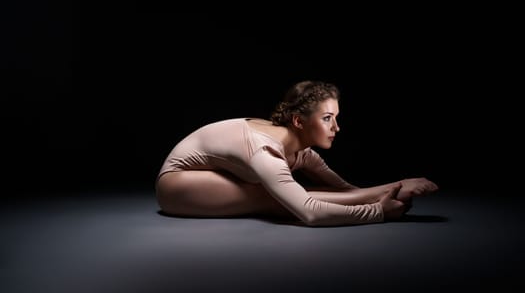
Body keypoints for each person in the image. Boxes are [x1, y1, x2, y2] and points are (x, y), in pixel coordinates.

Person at [155, 80, 438, 226]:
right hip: (177, 184)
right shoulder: (265, 150)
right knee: (273, 197)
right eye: (327, 118)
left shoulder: (300, 150)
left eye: (336, 117)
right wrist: (379, 210)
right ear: (299, 121)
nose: (336, 127)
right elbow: (308, 213)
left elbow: (346, 189)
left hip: (211, 175)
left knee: (285, 190)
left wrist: (378, 193)